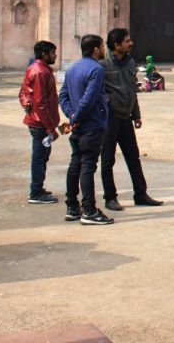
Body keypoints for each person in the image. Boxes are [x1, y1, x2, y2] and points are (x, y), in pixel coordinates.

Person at [99, 29, 163, 210]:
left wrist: (137, 114)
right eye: (127, 41)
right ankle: (110, 197)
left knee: (133, 157)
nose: (131, 43)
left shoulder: (130, 63)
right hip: (110, 119)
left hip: (125, 118)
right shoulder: (102, 65)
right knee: (108, 159)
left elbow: (132, 91)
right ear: (116, 45)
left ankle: (140, 194)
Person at [58, 34, 114, 225]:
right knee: (88, 165)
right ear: (96, 49)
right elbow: (89, 99)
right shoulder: (96, 69)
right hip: (91, 125)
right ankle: (89, 210)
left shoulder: (73, 69)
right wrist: (77, 117)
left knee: (76, 163)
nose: (104, 51)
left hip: (79, 125)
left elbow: (63, 96)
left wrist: (72, 116)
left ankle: (72, 206)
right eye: (103, 47)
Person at [18, 40, 67, 203]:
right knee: (39, 158)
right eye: (53, 53)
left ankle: (38, 188)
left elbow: (23, 92)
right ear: (44, 54)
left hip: (41, 122)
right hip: (40, 124)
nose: (55, 55)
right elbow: (40, 104)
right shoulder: (40, 72)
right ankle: (36, 192)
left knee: (42, 157)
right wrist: (50, 128)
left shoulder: (37, 69)